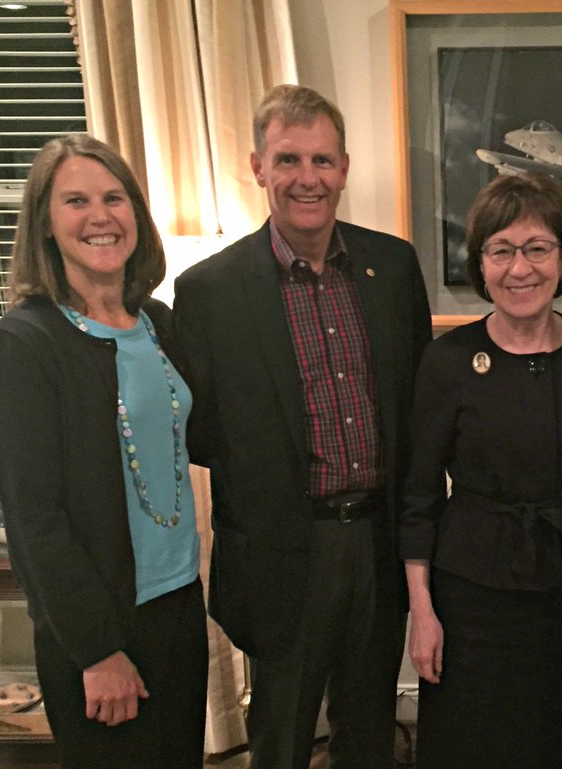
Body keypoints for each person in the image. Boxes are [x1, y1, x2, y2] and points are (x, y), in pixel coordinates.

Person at [173, 85, 431, 768]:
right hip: (280, 552)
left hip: (377, 542)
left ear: (344, 167)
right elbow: (201, 432)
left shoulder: (393, 267)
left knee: (369, 732)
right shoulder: (208, 291)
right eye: (288, 159)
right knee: (281, 739)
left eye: (321, 159)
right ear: (258, 166)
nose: (307, 178)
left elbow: (416, 405)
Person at [0, 134, 206, 768]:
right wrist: (97, 650)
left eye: (114, 198)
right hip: (101, 624)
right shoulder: (25, 343)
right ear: (45, 224)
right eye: (76, 201)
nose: (100, 216)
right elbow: (35, 521)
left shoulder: (156, 323)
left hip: (177, 603)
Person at [399, 173, 562, 769]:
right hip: (467, 596)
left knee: (549, 743)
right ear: (481, 263)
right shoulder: (447, 360)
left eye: (537, 248)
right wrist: (422, 613)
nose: (519, 268)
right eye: (500, 250)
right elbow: (419, 495)